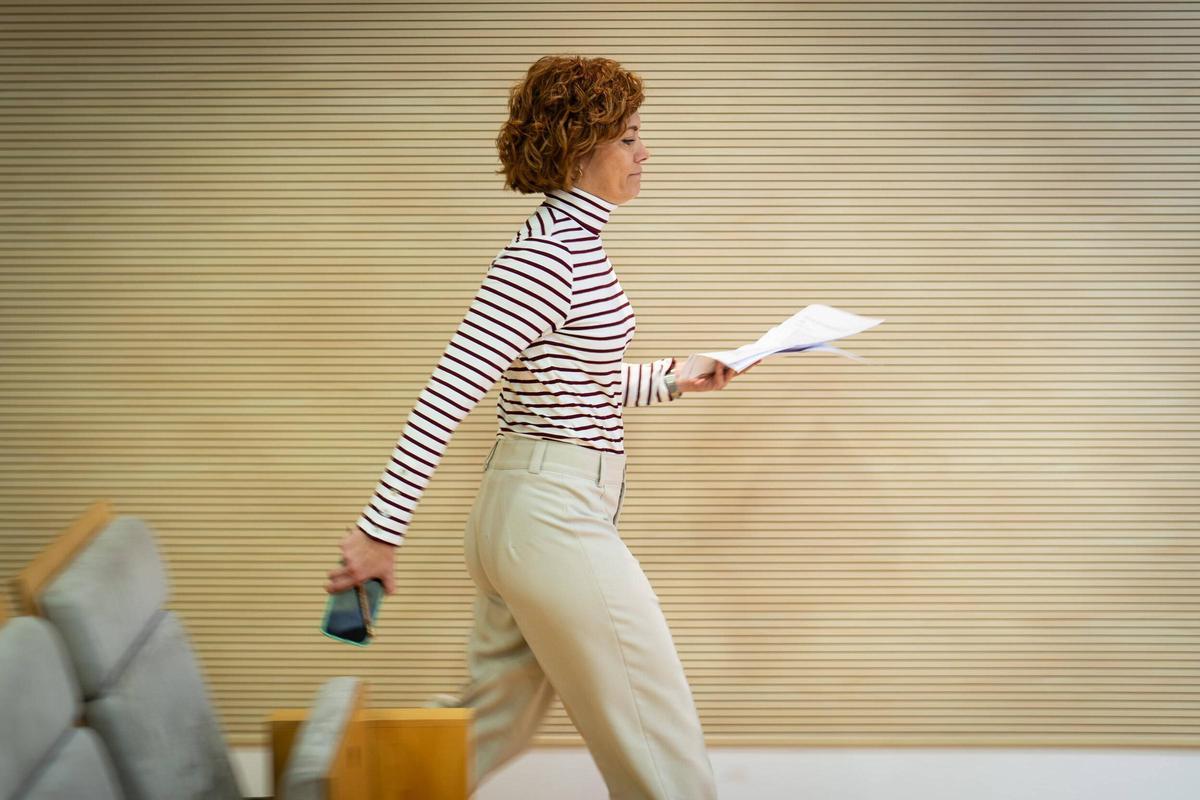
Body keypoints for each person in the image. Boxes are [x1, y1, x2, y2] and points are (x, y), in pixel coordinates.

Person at [325, 54, 759, 799]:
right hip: (549, 516)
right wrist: (377, 533)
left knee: (490, 722)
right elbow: (448, 393)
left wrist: (675, 377)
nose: (643, 151)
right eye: (626, 137)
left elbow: (574, 383)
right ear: (578, 145)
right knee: (660, 738)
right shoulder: (546, 259)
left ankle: (344, 791)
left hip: (534, 511)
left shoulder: (573, 248)